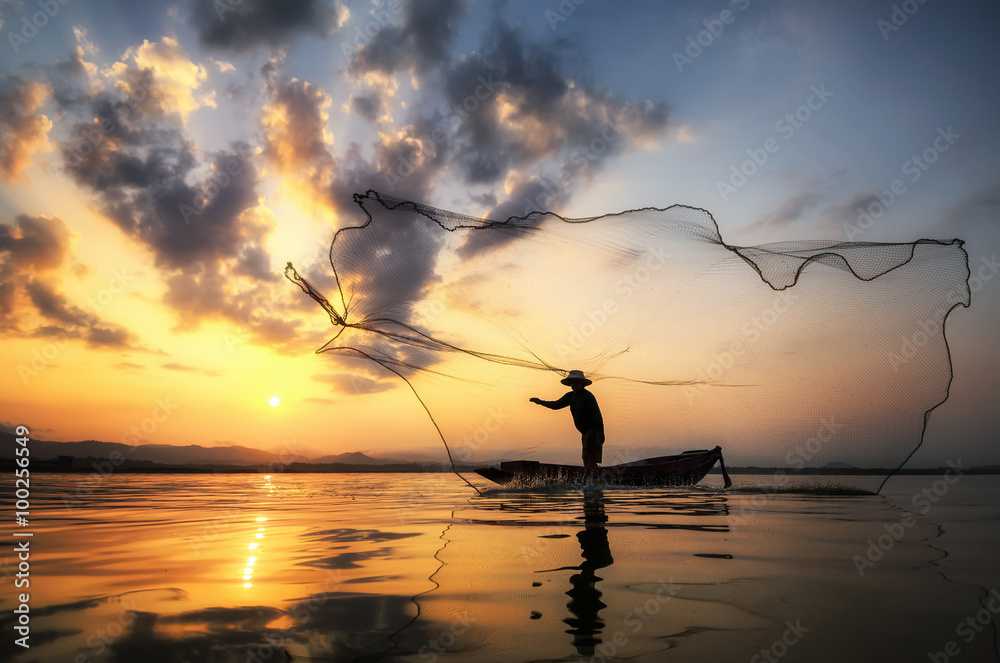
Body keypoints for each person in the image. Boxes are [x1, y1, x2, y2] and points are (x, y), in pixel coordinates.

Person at [530, 370, 605, 470]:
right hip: (585, 432)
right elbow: (556, 405)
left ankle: (594, 478)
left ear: (582, 384)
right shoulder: (571, 396)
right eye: (572, 383)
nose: (574, 385)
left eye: (576, 382)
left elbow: (597, 414)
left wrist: (600, 431)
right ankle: (593, 477)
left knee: (588, 457)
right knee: (587, 457)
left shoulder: (588, 396)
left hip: (593, 431)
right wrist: (540, 402)